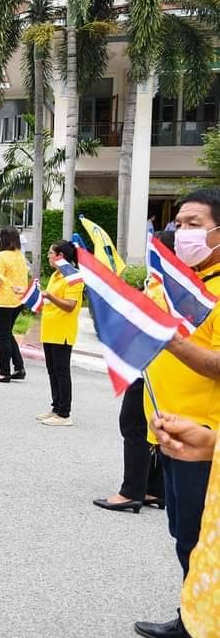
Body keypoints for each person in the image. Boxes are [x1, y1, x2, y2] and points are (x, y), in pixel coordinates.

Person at [134, 189, 220, 638]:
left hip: (205, 442)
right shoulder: (182, 282)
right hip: (169, 432)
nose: (180, 231)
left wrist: (168, 337)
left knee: (199, 538)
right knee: (182, 534)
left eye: (193, 223)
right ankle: (193, 614)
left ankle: (197, 624)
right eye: (178, 223)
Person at [95, 232, 176, 514]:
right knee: (153, 429)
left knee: (133, 426)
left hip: (148, 368)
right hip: (161, 370)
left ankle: (131, 492)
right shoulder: (175, 285)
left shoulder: (161, 286)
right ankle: (155, 489)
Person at [151, 413, 219, 638]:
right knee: (187, 540)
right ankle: (191, 620)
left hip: (205, 417)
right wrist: (211, 444)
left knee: (191, 539)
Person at [35, 240, 85, 427]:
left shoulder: (73, 277)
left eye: (50, 253)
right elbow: (48, 299)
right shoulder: (57, 275)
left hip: (62, 331)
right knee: (52, 370)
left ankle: (64, 413)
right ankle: (56, 407)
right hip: (49, 328)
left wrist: (50, 296)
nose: (48, 256)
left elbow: (70, 306)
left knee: (62, 372)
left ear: (60, 256)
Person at [0, 227, 30, 383]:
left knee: (3, 336)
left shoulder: (1, 256)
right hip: (18, 300)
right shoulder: (20, 256)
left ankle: (4, 372)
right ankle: (19, 367)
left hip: (3, 301)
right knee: (8, 333)